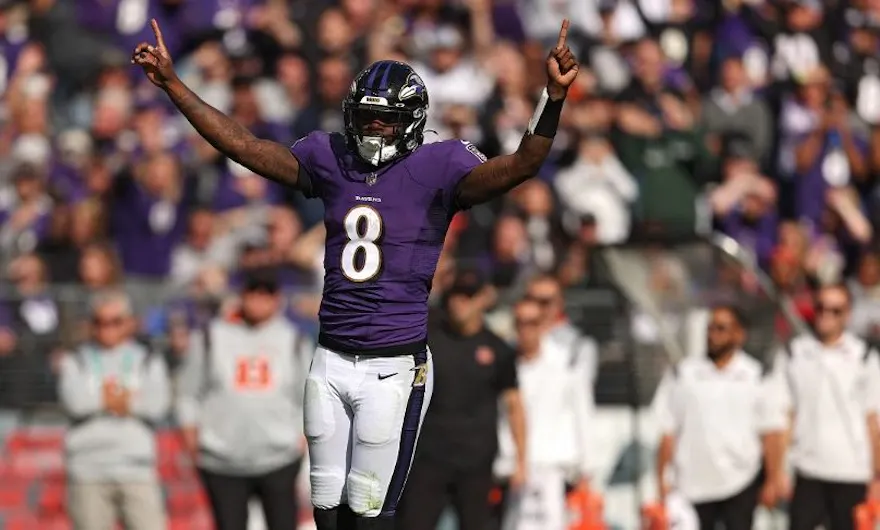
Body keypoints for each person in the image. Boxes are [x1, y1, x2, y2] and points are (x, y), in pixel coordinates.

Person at [132, 15, 579, 530]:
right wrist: (172, 83)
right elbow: (245, 147)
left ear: (411, 120)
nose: (372, 129)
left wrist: (553, 97)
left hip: (393, 365)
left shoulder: (441, 165)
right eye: (365, 118)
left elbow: (523, 164)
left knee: (369, 511)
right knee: (325, 505)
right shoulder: (331, 156)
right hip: (331, 356)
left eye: (384, 120)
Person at [175, 270, 312, 530]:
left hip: (279, 457)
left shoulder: (293, 340)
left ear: (277, 299)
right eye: (253, 292)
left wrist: (300, 439)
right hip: (222, 460)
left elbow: (308, 396)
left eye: (267, 293)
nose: (259, 300)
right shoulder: (210, 336)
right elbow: (187, 393)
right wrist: (193, 439)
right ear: (242, 296)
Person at [396, 269, 526, 530]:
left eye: (468, 296)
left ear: (482, 299)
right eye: (455, 295)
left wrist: (521, 460)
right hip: (428, 459)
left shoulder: (498, 349)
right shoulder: (426, 340)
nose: (459, 302)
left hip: (475, 463)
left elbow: (514, 405)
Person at [653, 305, 784, 530]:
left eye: (721, 328)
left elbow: (771, 432)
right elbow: (668, 431)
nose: (713, 335)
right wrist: (661, 480)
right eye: (710, 328)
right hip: (691, 485)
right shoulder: (683, 374)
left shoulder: (756, 376)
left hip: (741, 481)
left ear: (739, 334)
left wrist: (773, 480)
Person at [767, 283, 880, 530]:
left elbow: (873, 419)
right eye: (821, 308)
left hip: (853, 472)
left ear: (847, 314)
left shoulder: (864, 356)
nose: (826, 315)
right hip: (808, 470)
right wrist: (777, 471)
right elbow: (785, 416)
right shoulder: (794, 353)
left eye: (835, 310)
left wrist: (877, 476)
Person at [57, 290, 170, 530]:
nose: (107, 329)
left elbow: (157, 405)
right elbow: (75, 402)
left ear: (129, 323)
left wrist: (101, 399)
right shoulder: (75, 359)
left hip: (137, 467)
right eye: (100, 322)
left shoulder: (147, 358)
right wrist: (126, 399)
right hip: (87, 470)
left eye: (115, 322)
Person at [499, 298, 592, 530]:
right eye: (520, 323)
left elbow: (582, 412)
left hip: (556, 470)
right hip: (514, 471)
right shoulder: (504, 364)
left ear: (544, 325)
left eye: (532, 322)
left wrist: (587, 467)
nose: (525, 330)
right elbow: (502, 417)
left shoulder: (566, 362)